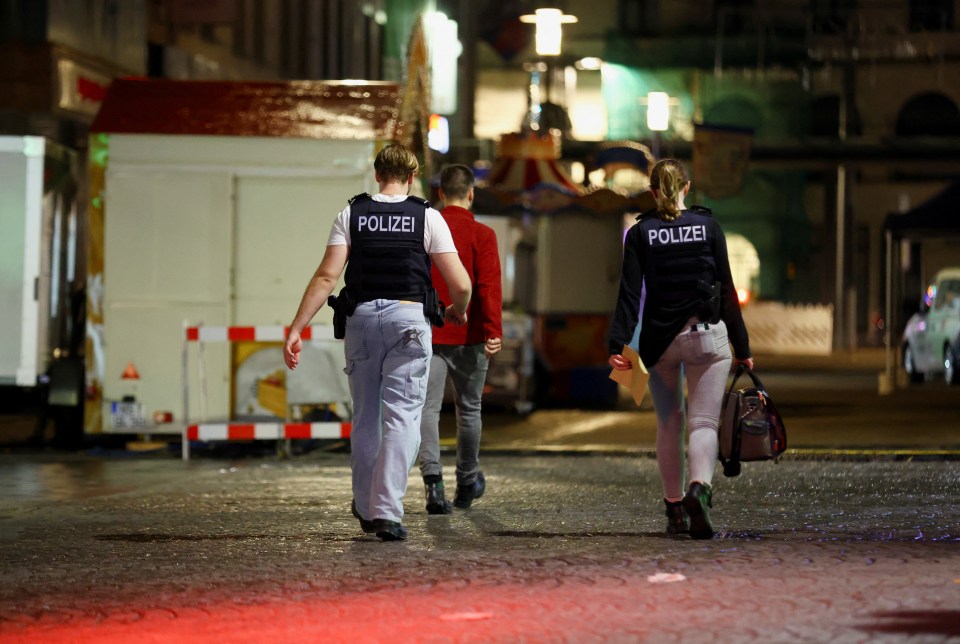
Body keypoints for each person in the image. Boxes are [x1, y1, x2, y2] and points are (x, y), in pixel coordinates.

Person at [283, 144, 471, 542]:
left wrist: (297, 328)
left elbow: (325, 279)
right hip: (409, 321)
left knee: (366, 414)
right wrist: (458, 308)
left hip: (362, 321)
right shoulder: (428, 217)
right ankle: (387, 511)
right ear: (412, 175)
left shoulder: (351, 214)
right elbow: (462, 284)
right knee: (402, 417)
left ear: (377, 174)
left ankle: (366, 506)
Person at [608, 158, 753, 540]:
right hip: (706, 336)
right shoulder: (708, 227)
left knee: (669, 422)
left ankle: (674, 509)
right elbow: (727, 290)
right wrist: (742, 344)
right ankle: (698, 489)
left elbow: (629, 293)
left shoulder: (642, 234)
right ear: (687, 187)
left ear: (654, 192)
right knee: (703, 422)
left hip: (660, 342)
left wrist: (617, 343)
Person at [418, 164, 503, 514]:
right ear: (471, 193)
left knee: (428, 410)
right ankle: (467, 481)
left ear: (440, 193)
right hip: (470, 335)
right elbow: (488, 287)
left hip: (430, 331)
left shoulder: (424, 230)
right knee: (469, 410)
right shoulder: (483, 234)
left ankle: (433, 485)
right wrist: (493, 330)